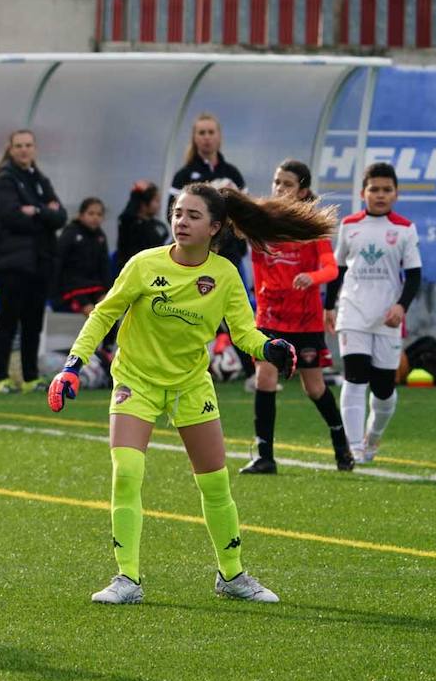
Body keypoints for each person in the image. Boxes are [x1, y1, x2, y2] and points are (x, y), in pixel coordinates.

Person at [46, 182, 334, 606]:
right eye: (178, 213)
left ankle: (232, 576)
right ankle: (127, 579)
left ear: (216, 227)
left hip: (190, 384)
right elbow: (105, 312)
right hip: (136, 380)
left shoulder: (224, 275)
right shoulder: (144, 265)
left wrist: (268, 346)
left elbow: (243, 332)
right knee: (127, 472)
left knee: (215, 484)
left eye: (193, 215)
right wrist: (73, 365)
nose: (181, 221)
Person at [241, 160, 353, 474]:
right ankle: (265, 456)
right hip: (270, 317)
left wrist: (312, 277)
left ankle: (341, 444)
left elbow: (331, 269)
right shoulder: (261, 224)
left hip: (305, 321)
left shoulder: (312, 227)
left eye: (287, 184)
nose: (279, 188)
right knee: (265, 378)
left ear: (302, 190)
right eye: (277, 182)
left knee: (314, 388)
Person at [324, 163, 422, 464]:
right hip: (352, 312)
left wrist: (400, 307)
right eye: (374, 189)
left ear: (396, 193)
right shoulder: (350, 225)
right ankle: (353, 448)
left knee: (383, 389)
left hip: (387, 318)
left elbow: (415, 275)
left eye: (386, 190)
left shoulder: (404, 228)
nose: (380, 195)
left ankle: (373, 437)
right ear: (362, 192)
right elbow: (338, 269)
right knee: (354, 378)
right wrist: (329, 306)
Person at [0, 129, 67, 393]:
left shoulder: (40, 180)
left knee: (34, 322)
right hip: (12, 263)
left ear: (35, 149)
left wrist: (35, 211)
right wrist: (44, 214)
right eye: (19, 145)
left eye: (29, 145)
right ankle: (0, 378)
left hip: (40, 261)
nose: (24, 150)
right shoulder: (5, 181)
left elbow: (61, 216)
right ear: (10, 150)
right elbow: (12, 217)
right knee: (9, 320)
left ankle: (30, 377)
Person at [167, 113, 248, 269]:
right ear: (194, 138)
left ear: (219, 137)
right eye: (202, 133)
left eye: (211, 132)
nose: (207, 137)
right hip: (195, 255)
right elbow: (169, 213)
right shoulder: (184, 175)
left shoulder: (232, 174)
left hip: (230, 253)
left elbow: (246, 212)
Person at [52, 197, 112, 313]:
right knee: (92, 312)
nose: (95, 217)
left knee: (108, 309)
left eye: (99, 214)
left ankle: (114, 332)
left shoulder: (100, 237)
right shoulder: (71, 233)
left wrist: (109, 290)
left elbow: (104, 266)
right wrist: (54, 293)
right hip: (72, 286)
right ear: (81, 215)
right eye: (91, 213)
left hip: (94, 285)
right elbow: (58, 260)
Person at [115, 179, 170, 273]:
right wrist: (137, 192)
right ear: (143, 203)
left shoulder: (158, 225)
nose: (159, 205)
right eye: (156, 201)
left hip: (154, 270)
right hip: (134, 270)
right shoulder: (129, 223)